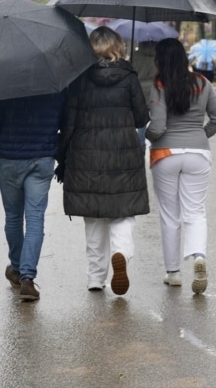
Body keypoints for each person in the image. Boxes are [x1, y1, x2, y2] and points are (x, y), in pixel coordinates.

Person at [57, 26, 149, 295]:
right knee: (122, 213)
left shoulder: (79, 77)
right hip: (123, 154)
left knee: (94, 217)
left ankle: (95, 278)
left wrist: (63, 156)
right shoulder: (129, 76)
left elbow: (68, 121)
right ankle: (120, 252)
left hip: (87, 155)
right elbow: (141, 118)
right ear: (117, 46)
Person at [146, 38, 216, 294]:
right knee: (195, 212)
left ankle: (174, 272)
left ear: (160, 59)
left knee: (171, 216)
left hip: (166, 154)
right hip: (198, 153)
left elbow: (157, 128)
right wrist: (199, 135)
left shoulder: (159, 86)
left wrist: (146, 136)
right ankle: (199, 256)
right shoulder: (203, 83)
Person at [0, 92, 67, 302]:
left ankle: (17, 269)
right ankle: (28, 277)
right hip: (42, 158)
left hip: (9, 159)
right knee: (35, 218)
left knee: (13, 217)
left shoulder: (0, 85)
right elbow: (64, 122)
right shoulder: (53, 85)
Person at [130, 39, 157, 146]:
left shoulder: (135, 55)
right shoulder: (157, 57)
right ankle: (155, 143)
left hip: (138, 88)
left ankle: (141, 145)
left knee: (141, 119)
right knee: (155, 117)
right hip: (153, 89)